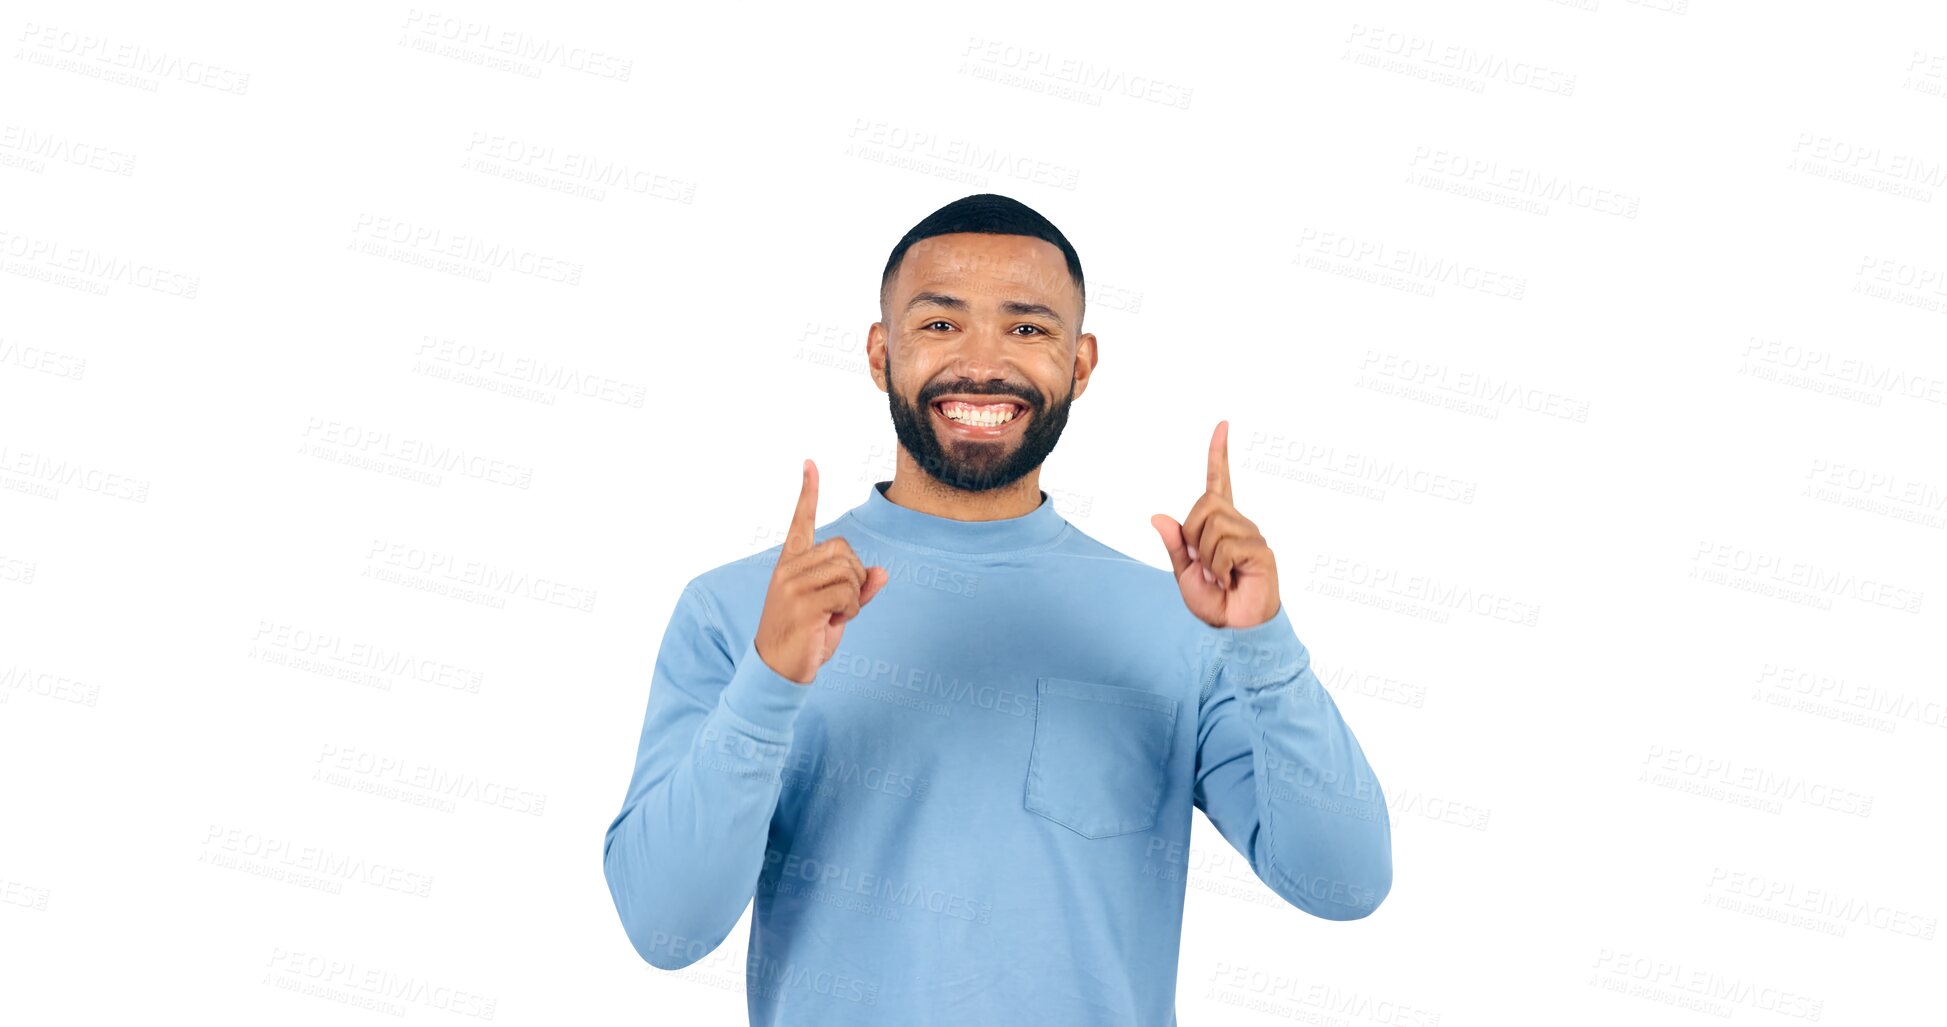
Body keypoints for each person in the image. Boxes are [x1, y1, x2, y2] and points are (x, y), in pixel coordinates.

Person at [601, 193, 1392, 1026]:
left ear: (1081, 364)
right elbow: (664, 928)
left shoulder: (1183, 623)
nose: (981, 363)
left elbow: (1344, 882)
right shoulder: (742, 610)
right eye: (940, 324)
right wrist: (767, 683)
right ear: (881, 352)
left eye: (1026, 328)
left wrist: (1262, 644)